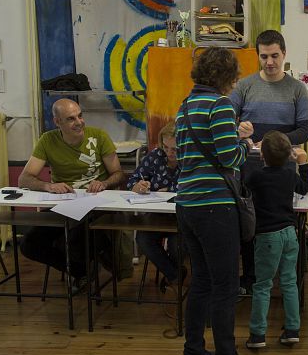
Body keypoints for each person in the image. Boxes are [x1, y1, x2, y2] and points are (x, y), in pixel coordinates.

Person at [175, 47, 267, 355]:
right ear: (227, 77)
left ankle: (194, 353)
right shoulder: (220, 105)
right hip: (215, 206)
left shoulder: (185, 106)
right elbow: (230, 158)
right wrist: (246, 144)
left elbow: (185, 155)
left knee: (201, 280)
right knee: (226, 287)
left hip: (187, 204)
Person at [230, 29, 308, 294]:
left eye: (275, 56)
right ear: (257, 55)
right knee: (249, 224)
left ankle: (285, 278)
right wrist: (238, 128)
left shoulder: (297, 89)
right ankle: (250, 277)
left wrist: (274, 142)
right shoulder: (244, 86)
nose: (269, 62)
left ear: (284, 54)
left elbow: (305, 130)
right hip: (249, 167)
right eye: (264, 56)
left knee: (282, 224)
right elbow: (226, 120)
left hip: (282, 168)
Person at [18, 98, 125, 280]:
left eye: (80, 116)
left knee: (77, 238)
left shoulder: (99, 136)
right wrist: (48, 186)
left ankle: (87, 267)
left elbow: (119, 174)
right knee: (28, 244)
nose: (79, 122)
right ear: (57, 122)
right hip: (64, 204)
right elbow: (24, 179)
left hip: (97, 204)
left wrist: (104, 183)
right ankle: (80, 271)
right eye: (71, 119)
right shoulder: (47, 140)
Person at [242, 131, 308, 349]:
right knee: (289, 283)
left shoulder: (256, 177)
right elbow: (305, 188)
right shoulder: (290, 176)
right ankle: (292, 330)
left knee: (263, 285)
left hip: (267, 237)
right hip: (290, 234)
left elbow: (242, 188)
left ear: (262, 155)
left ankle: (257, 334)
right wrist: (303, 163)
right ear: (289, 155)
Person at [125, 121, 184, 289]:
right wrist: (138, 186)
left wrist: (170, 189)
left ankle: (176, 280)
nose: (169, 153)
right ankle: (176, 277)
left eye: (175, 149)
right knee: (143, 239)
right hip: (157, 214)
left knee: (176, 246)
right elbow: (133, 180)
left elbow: (194, 186)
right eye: (166, 147)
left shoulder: (191, 158)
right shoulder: (156, 156)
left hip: (182, 217)